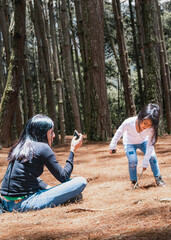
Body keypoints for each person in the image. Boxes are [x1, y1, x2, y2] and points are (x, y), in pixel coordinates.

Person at [0, 114, 87, 213]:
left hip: (6, 203)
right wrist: (72, 149)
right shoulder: (42, 148)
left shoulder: (19, 147)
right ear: (42, 133)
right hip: (24, 203)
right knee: (81, 181)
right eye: (51, 132)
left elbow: (27, 176)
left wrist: (50, 189)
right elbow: (64, 177)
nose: (54, 135)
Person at [109, 103, 166, 188]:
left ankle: (158, 178)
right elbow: (119, 133)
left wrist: (145, 162)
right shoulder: (129, 122)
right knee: (133, 161)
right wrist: (113, 146)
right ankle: (134, 181)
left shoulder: (152, 129)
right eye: (145, 123)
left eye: (149, 125)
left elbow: (150, 145)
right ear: (140, 117)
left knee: (153, 157)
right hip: (129, 143)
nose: (146, 127)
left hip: (144, 142)